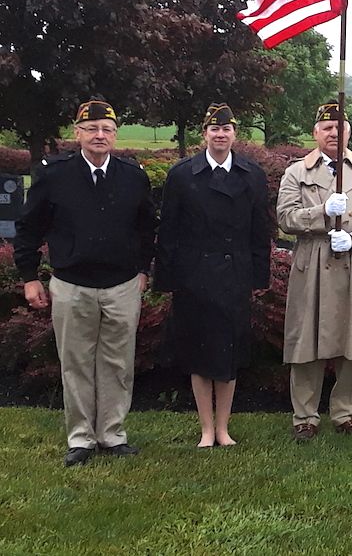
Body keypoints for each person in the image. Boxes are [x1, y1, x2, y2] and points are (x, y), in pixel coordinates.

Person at [14, 100, 156, 467]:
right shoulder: (54, 174)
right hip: (71, 284)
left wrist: (144, 270)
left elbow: (147, 228)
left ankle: (112, 434)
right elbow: (28, 228)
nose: (99, 135)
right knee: (76, 363)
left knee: (117, 363)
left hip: (122, 284)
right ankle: (80, 438)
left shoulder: (132, 176)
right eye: (91, 129)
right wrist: (30, 277)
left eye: (106, 129)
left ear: (115, 134)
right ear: (77, 133)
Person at [154, 103, 271, 448]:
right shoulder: (182, 175)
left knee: (228, 353)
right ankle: (206, 429)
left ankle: (224, 427)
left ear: (235, 134)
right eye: (214, 130)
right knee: (199, 353)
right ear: (204, 134)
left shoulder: (252, 175)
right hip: (193, 277)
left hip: (234, 274)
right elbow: (169, 231)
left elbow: (259, 230)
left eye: (227, 129)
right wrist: (167, 279)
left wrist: (258, 276)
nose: (221, 135)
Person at [277, 102, 352, 441]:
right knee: (306, 344)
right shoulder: (297, 173)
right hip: (312, 265)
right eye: (327, 128)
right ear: (315, 133)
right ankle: (305, 417)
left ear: (349, 132)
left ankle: (346, 414)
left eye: (340, 126)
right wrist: (321, 212)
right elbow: (285, 219)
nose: (334, 133)